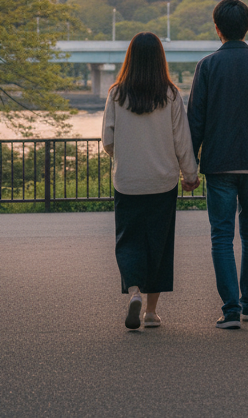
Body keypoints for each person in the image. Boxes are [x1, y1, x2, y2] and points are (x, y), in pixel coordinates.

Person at [187, 0, 248, 330]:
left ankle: (230, 310)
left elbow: (195, 120)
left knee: (221, 236)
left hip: (219, 164)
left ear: (217, 28)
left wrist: (190, 163)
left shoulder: (207, 66)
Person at [102, 31, 199, 331]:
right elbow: (182, 140)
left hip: (128, 182)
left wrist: (126, 154)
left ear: (130, 57)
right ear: (160, 59)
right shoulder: (170, 94)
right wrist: (190, 175)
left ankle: (134, 293)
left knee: (128, 241)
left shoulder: (116, 94)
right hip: (162, 182)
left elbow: (107, 140)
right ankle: (152, 313)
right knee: (158, 244)